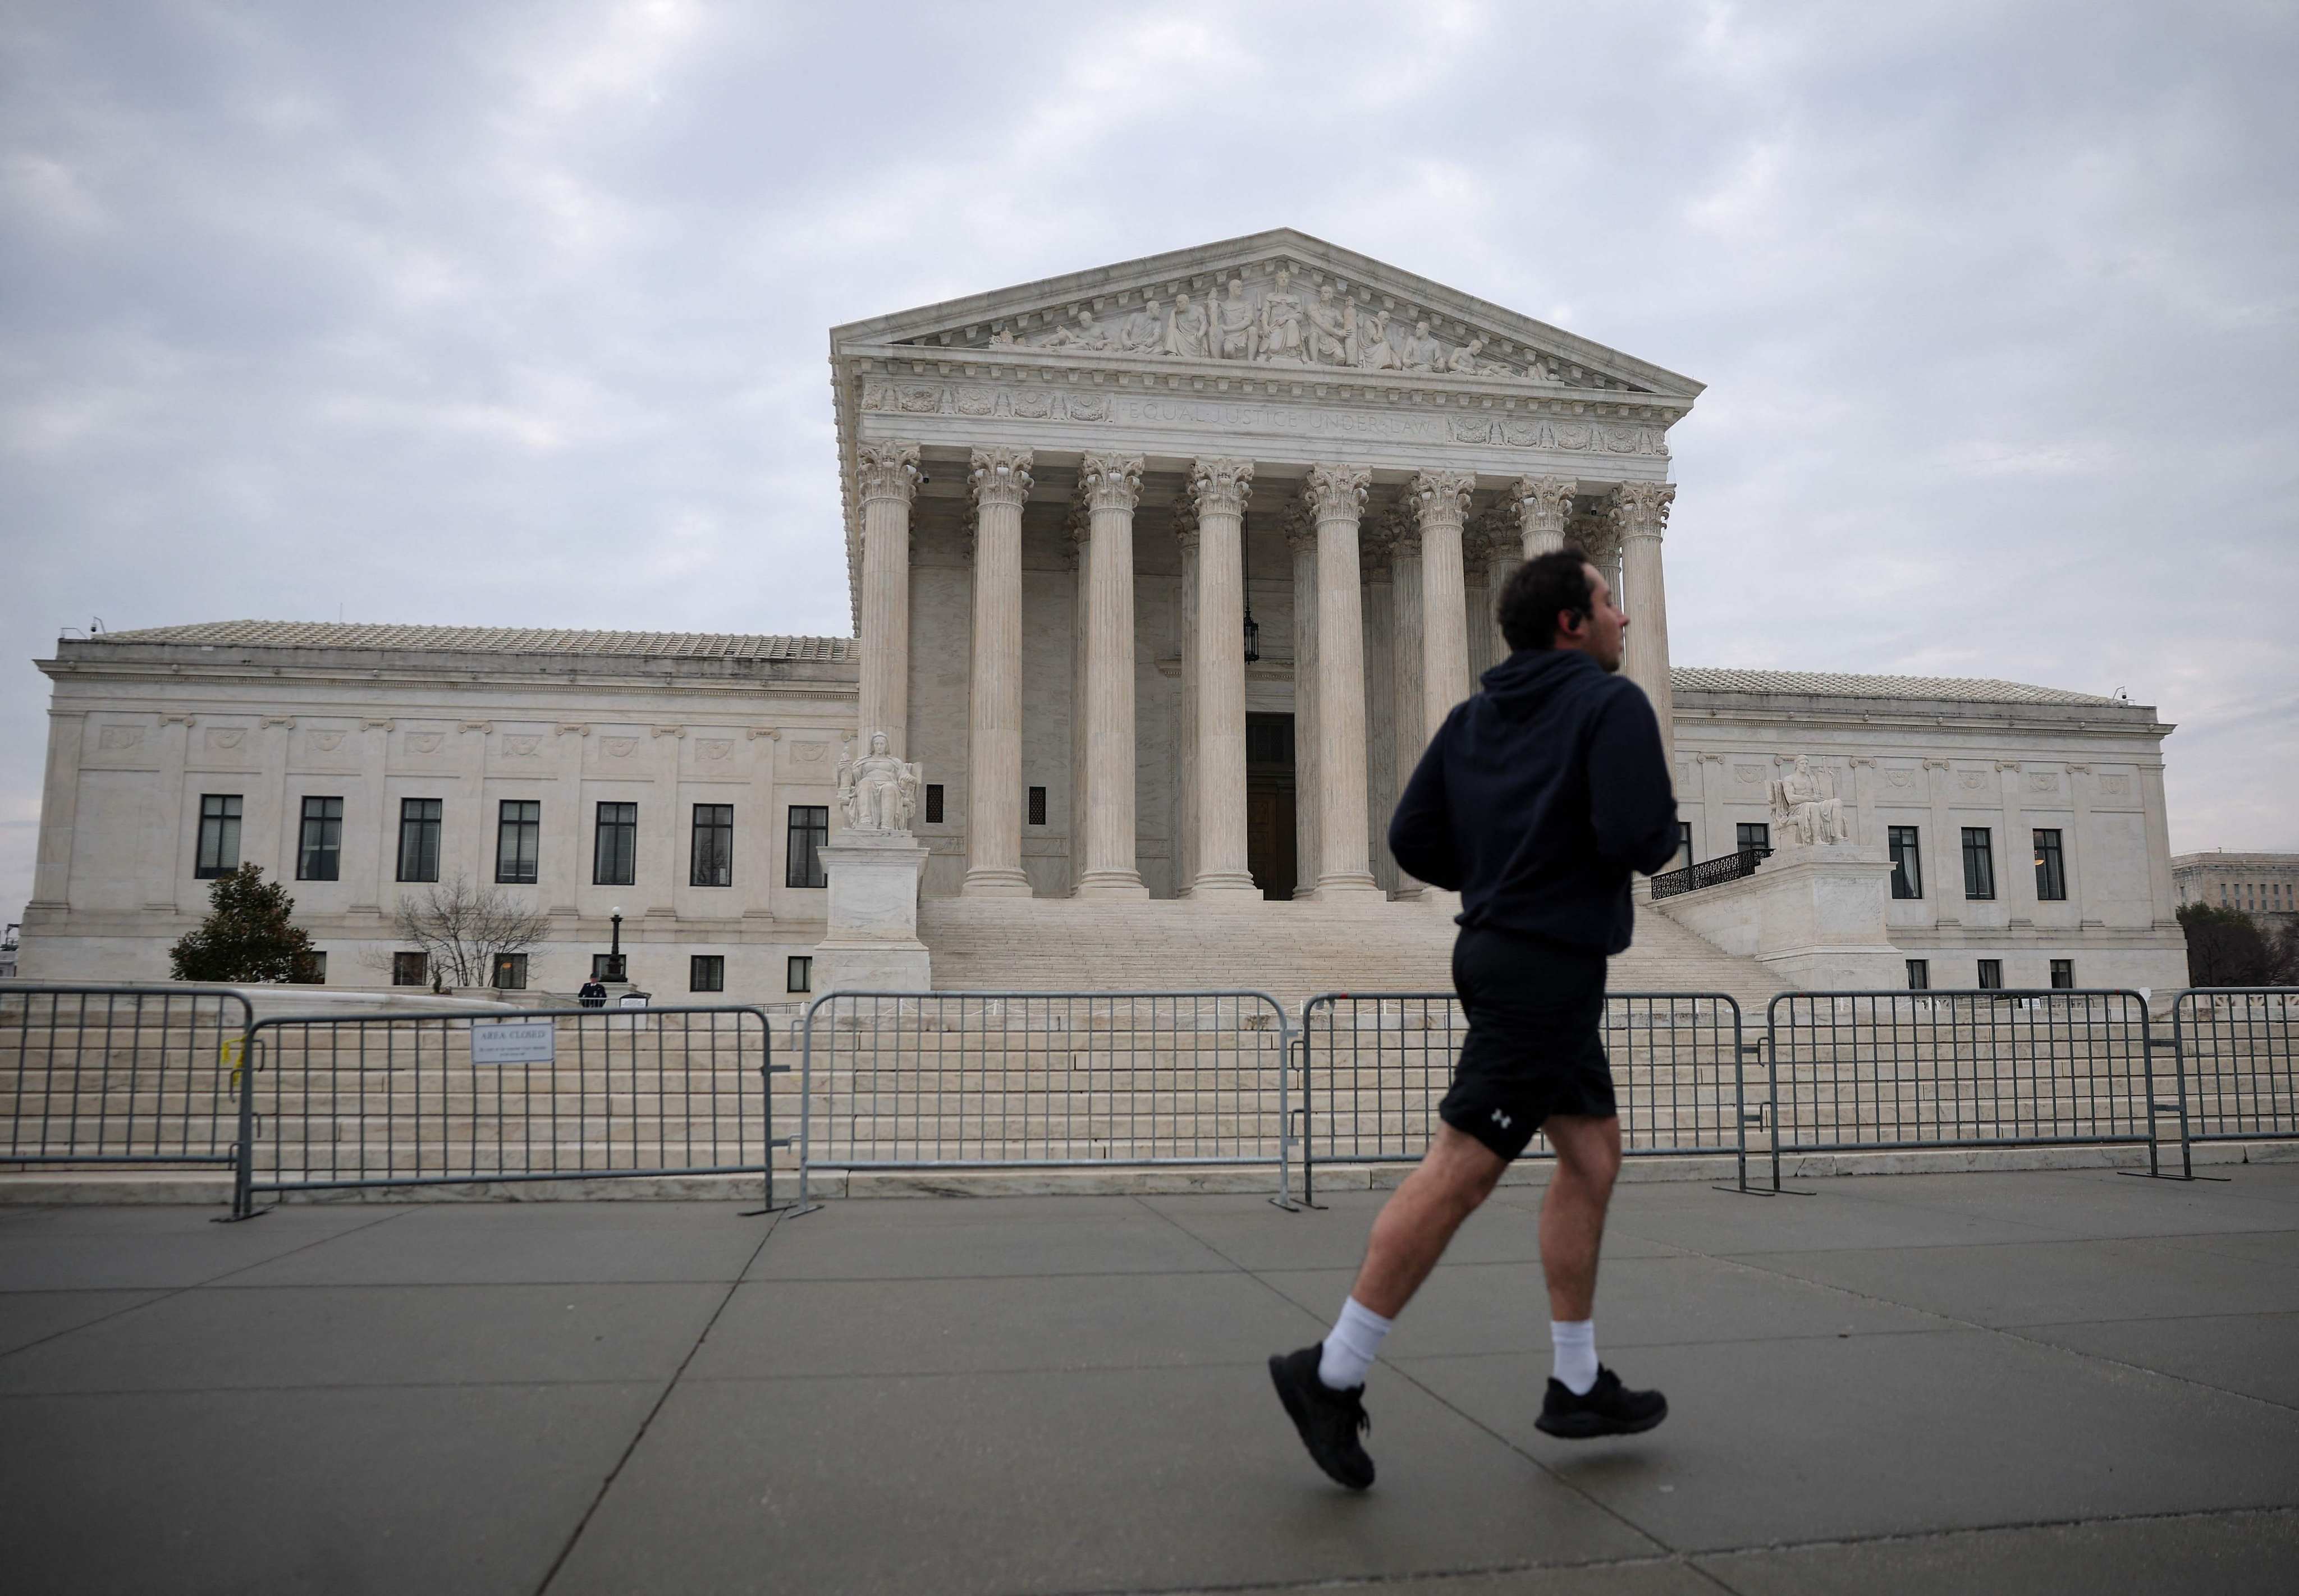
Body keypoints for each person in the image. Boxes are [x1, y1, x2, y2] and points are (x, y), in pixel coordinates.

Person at [1269, 547, 1682, 1490]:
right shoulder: (1609, 704)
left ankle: (1576, 1380)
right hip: (1547, 964)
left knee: (1592, 1155)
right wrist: (1561, 871)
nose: (1627, 618)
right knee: (1461, 1167)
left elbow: (1412, 838)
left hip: (1507, 950)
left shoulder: (1473, 716)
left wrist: (1498, 876)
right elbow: (1642, 837)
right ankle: (1331, 1371)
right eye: (1611, 603)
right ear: (1571, 625)